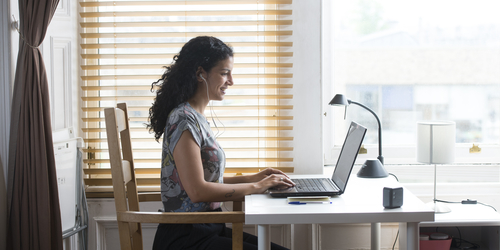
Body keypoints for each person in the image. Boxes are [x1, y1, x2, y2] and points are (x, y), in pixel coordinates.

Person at [147, 36, 294, 250]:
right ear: (200, 74)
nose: (231, 81)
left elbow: (204, 178)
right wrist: (257, 186)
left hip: (208, 229)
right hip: (187, 238)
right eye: (224, 73)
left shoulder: (195, 117)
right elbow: (197, 191)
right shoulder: (183, 119)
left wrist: (253, 178)